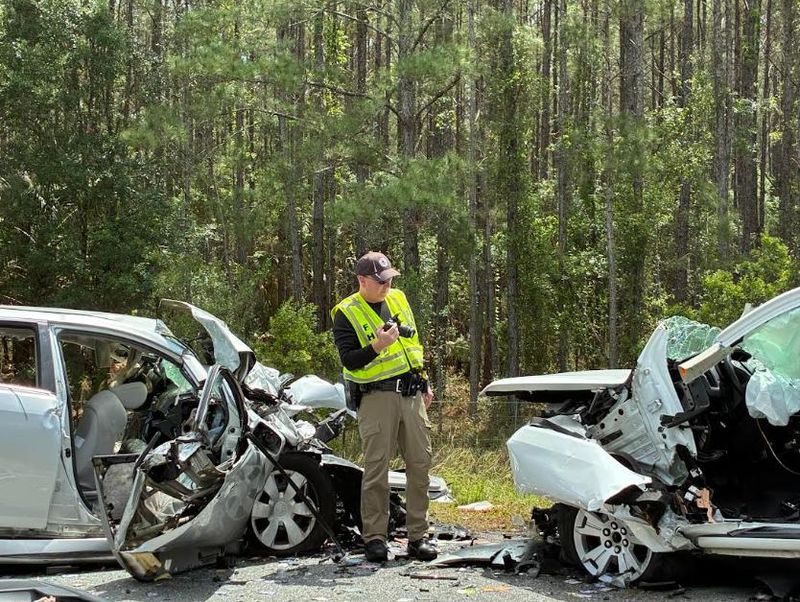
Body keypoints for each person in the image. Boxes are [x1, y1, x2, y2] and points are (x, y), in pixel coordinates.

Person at [331, 251, 438, 563]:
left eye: (390, 278)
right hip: (377, 397)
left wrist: (424, 378)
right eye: (380, 281)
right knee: (377, 468)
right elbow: (348, 359)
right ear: (362, 280)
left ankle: (418, 537)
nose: (387, 285)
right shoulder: (346, 312)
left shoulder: (399, 298)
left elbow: (414, 344)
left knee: (420, 464)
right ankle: (375, 538)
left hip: (412, 393)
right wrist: (377, 346)